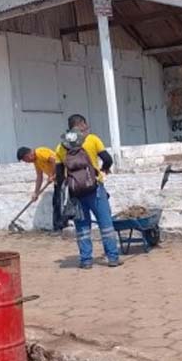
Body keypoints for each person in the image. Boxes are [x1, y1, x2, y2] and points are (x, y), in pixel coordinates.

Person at [55, 114, 121, 269]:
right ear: (82, 124)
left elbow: (59, 175)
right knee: (105, 224)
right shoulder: (91, 139)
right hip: (95, 188)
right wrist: (104, 169)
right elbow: (107, 159)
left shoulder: (60, 146)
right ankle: (112, 258)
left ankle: (86, 260)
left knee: (82, 227)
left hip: (75, 193)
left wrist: (68, 189)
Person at [16, 146, 63, 230]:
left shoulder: (40, 152)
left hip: (63, 177)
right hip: (57, 180)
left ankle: (59, 227)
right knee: (56, 203)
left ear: (28, 155)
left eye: (25, 160)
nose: (27, 162)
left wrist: (52, 175)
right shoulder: (36, 162)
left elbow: (53, 160)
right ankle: (58, 227)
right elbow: (39, 177)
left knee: (59, 202)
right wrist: (36, 192)